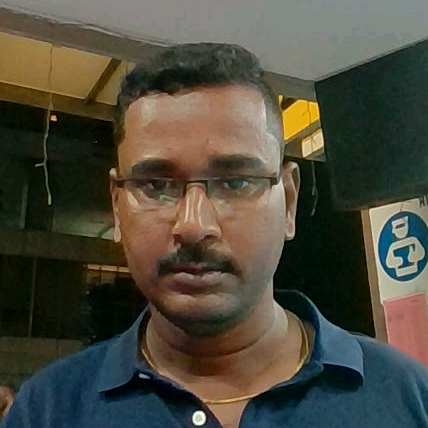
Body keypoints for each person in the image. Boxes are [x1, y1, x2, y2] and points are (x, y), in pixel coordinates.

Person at [2, 43, 428, 428]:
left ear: (289, 201)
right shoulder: (48, 411)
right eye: (156, 185)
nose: (193, 225)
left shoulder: (407, 398)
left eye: (235, 182)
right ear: (117, 206)